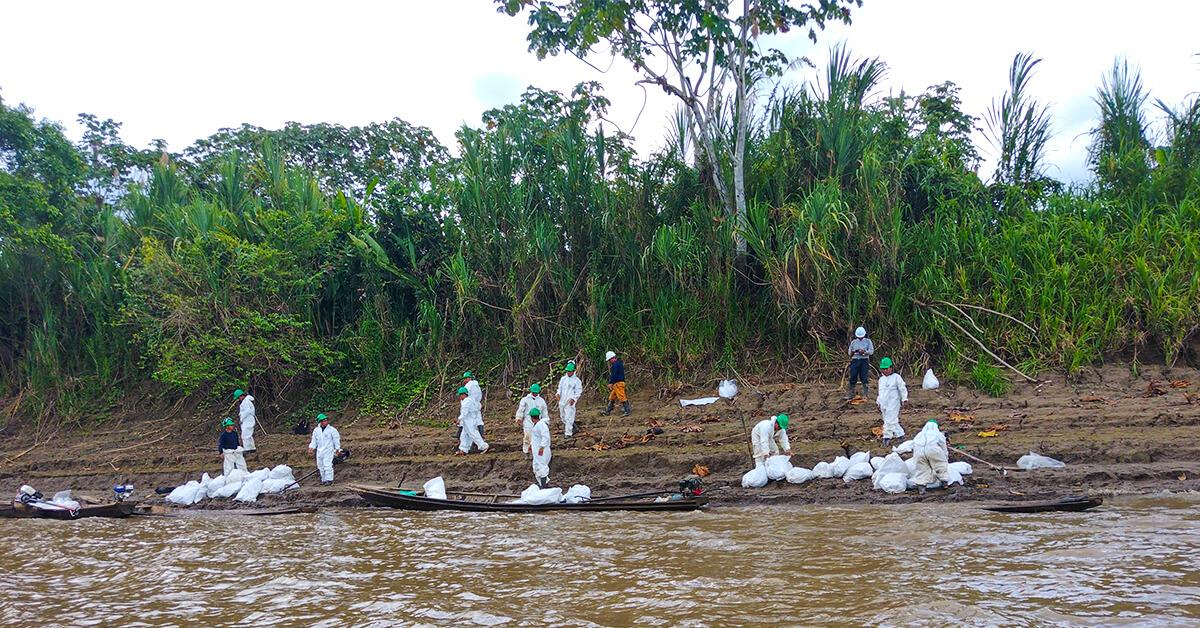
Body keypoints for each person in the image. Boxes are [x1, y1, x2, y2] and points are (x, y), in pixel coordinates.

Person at [910, 419, 952, 493]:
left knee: (922, 469)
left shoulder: (919, 435)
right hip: (933, 450)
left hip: (919, 452)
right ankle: (944, 482)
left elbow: (914, 446)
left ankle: (921, 488)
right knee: (940, 465)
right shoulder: (937, 434)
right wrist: (945, 456)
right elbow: (943, 446)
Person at [876, 357, 909, 445]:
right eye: (883, 369)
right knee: (890, 420)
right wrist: (878, 402)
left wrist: (904, 399)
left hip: (893, 403)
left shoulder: (896, 378)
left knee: (889, 421)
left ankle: (886, 437)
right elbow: (880, 392)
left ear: (891, 368)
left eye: (886, 368)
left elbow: (902, 388)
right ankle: (900, 435)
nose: (885, 371)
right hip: (884, 404)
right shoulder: (881, 380)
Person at [515, 383, 549, 457]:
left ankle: (536, 452)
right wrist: (519, 418)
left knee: (537, 438)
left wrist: (545, 421)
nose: (535, 394)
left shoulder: (541, 401)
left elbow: (544, 412)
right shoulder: (525, 400)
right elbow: (521, 410)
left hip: (538, 421)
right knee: (527, 436)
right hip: (528, 420)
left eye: (536, 393)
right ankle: (526, 452)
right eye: (534, 392)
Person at [308, 413, 342, 486]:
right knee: (320, 466)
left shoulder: (332, 430)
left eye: (326, 420)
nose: (325, 422)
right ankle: (323, 480)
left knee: (327, 465)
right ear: (320, 422)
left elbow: (336, 440)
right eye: (323, 421)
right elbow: (314, 441)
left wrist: (337, 449)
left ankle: (329, 480)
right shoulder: (316, 431)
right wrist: (311, 447)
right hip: (319, 451)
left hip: (328, 450)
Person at [455, 386, 489, 455]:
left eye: (460, 395)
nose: (459, 397)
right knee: (464, 435)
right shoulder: (470, 400)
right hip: (468, 421)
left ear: (463, 394)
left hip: (470, 421)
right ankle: (463, 449)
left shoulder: (467, 401)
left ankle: (483, 446)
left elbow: (464, 412)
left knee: (473, 434)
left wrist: (459, 419)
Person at [845, 327, 874, 399]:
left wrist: (864, 352)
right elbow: (849, 353)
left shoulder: (868, 341)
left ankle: (865, 394)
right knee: (853, 376)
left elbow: (871, 351)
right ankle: (851, 394)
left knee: (864, 376)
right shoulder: (853, 342)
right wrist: (854, 351)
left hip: (864, 360)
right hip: (855, 360)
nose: (860, 338)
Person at [556, 361, 583, 437]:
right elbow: (559, 388)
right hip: (562, 401)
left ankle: (568, 433)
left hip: (570, 401)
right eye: (567, 371)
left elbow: (578, 391)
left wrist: (574, 399)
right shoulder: (563, 379)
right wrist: (558, 394)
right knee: (563, 417)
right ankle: (574, 427)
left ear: (573, 371)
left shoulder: (576, 381)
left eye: (570, 371)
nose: (568, 372)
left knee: (569, 417)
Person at [529, 408, 552, 488]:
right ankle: (542, 483)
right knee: (536, 467)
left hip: (542, 451)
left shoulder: (541, 425)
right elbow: (535, 438)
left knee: (542, 467)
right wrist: (531, 446)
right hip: (537, 451)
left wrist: (542, 447)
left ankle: (543, 486)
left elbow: (545, 436)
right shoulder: (536, 425)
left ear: (532, 417)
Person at [604, 351, 631, 416]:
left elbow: (614, 375)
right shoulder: (619, 363)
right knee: (612, 397)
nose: (610, 361)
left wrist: (611, 382)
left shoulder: (615, 365)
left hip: (618, 383)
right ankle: (608, 411)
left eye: (610, 360)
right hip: (618, 384)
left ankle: (627, 411)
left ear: (612, 358)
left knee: (622, 397)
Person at [234, 389, 257, 453]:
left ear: (241, 396)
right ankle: (252, 448)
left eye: (238, 397)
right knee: (248, 434)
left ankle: (247, 449)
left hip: (248, 420)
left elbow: (246, 412)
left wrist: (241, 419)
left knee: (245, 435)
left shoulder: (246, 402)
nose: (238, 399)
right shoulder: (246, 401)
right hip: (247, 420)